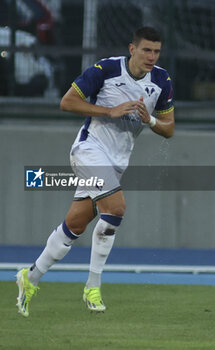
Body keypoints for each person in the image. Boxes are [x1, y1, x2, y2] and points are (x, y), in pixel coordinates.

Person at [16, 26, 175, 317]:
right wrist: (109, 111)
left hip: (116, 163)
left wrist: (150, 120)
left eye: (156, 51)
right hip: (88, 151)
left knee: (74, 227)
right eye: (146, 50)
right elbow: (67, 102)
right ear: (132, 49)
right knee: (115, 208)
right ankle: (93, 286)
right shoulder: (105, 69)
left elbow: (169, 129)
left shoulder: (162, 80)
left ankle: (30, 277)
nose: (151, 56)